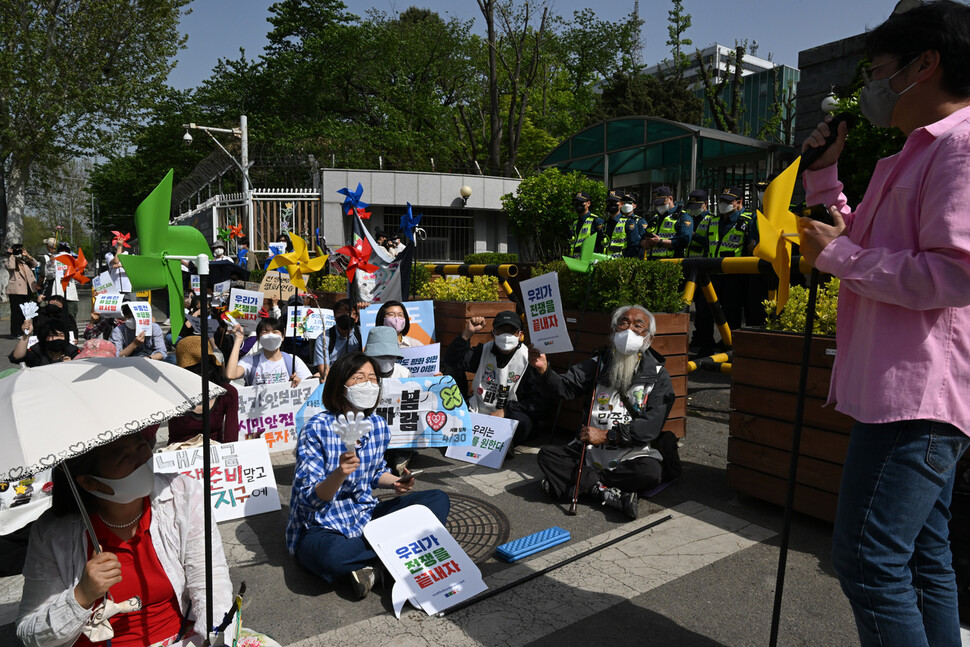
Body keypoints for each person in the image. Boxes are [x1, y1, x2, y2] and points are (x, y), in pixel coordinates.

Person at [797, 3, 970, 644]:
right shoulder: (915, 152)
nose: (872, 86)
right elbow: (862, 240)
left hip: (918, 398)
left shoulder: (960, 146)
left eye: (880, 70)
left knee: (869, 562)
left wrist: (839, 256)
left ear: (926, 65)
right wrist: (823, 177)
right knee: (924, 556)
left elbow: (955, 273)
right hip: (906, 391)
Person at [16, 433, 236, 646]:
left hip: (180, 638)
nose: (142, 459)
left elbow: (210, 582)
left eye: (141, 445)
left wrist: (215, 637)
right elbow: (30, 633)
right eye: (124, 456)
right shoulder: (52, 533)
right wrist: (82, 595)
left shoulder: (183, 494)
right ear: (90, 482)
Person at [287, 351, 450, 599]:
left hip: (366, 513)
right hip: (322, 524)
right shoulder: (316, 428)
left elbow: (375, 473)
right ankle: (392, 556)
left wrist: (396, 481)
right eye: (359, 377)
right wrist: (339, 474)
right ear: (340, 385)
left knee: (437, 500)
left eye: (373, 379)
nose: (368, 384)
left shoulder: (377, 425)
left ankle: (373, 567)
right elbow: (308, 500)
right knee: (329, 556)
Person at [532, 305, 676, 520]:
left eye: (639, 326)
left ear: (649, 338)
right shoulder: (596, 364)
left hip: (630, 453)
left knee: (650, 472)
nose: (629, 330)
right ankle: (604, 491)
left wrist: (609, 436)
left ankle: (578, 485)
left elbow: (651, 426)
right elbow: (565, 388)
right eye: (623, 323)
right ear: (613, 331)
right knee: (547, 456)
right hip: (590, 451)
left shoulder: (658, 375)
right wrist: (544, 370)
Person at [443, 310, 545, 446]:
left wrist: (506, 411)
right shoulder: (483, 350)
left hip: (510, 412)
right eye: (502, 331)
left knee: (523, 422)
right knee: (451, 413)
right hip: (479, 408)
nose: (506, 336)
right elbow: (452, 361)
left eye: (511, 331)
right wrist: (467, 333)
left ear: (520, 335)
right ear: (493, 333)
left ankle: (502, 445)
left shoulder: (528, 358)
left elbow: (535, 402)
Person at [690, 186, 762, 356]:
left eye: (728, 201)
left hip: (734, 275)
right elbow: (704, 242)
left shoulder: (748, 221)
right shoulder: (711, 221)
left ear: (739, 203)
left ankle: (729, 347)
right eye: (722, 200)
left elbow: (750, 246)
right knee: (705, 311)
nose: (723, 204)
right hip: (711, 274)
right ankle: (707, 346)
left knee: (732, 313)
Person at [168, 336, 239, 445]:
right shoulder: (169, 392)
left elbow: (231, 440)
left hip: (215, 455)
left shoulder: (227, 393)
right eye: (196, 368)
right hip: (180, 456)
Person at [226, 317, 310, 387]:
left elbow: (310, 383)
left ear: (283, 336)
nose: (270, 335)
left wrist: (306, 380)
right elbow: (231, 374)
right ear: (258, 338)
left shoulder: (293, 360)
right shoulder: (250, 361)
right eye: (265, 332)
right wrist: (238, 340)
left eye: (275, 332)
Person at [314, 299, 362, 379]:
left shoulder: (362, 333)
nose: (345, 314)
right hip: (335, 378)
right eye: (340, 312)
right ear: (335, 317)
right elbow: (324, 370)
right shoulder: (324, 338)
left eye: (349, 311)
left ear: (356, 317)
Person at [642, 186, 694, 259]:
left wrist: (660, 242)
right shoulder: (655, 218)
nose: (659, 206)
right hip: (651, 262)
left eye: (662, 203)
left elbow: (684, 241)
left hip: (671, 262)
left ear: (670, 198)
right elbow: (642, 238)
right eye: (657, 204)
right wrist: (644, 243)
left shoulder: (682, 217)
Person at [9, 318, 80, 366]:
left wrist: (72, 365)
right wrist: (26, 335)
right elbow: (16, 357)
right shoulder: (37, 352)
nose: (57, 338)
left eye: (61, 335)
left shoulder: (73, 352)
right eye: (52, 336)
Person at [5, 243, 38, 339]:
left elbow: (35, 264)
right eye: (16, 250)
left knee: (25, 312)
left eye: (19, 250)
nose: (18, 252)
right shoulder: (10, 260)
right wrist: (10, 254)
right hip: (16, 290)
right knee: (16, 312)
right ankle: (16, 332)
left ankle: (24, 330)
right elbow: (10, 266)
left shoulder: (24, 262)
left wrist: (27, 255)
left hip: (27, 289)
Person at [569, 191, 605, 257]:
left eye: (581, 202)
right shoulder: (575, 222)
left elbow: (602, 244)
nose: (578, 205)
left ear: (588, 203)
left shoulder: (596, 221)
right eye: (576, 203)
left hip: (589, 260)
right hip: (575, 261)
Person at [618, 193, 649, 258]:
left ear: (634, 206)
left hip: (635, 256)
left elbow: (644, 239)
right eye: (624, 202)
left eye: (629, 202)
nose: (626, 204)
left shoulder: (639, 221)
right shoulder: (617, 220)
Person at [683, 189, 710, 258]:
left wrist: (693, 235)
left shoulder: (711, 220)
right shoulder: (690, 218)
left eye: (697, 207)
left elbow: (712, 243)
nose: (694, 209)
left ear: (705, 204)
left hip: (704, 260)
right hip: (688, 259)